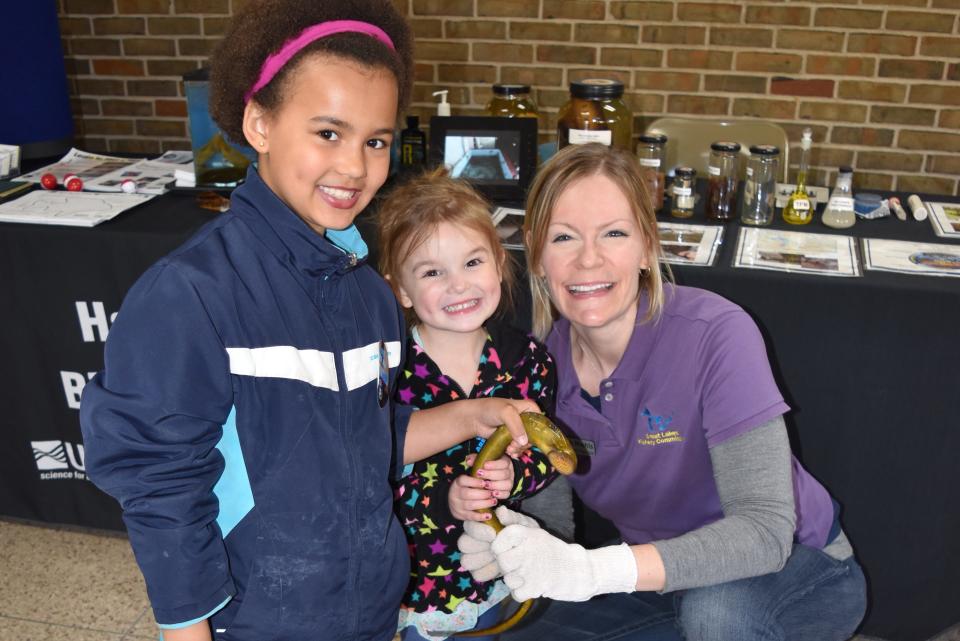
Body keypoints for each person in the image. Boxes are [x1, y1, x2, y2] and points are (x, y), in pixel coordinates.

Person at [78, 3, 536, 641]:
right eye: (328, 133)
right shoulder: (191, 293)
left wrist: (473, 415)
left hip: (370, 609)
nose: (354, 167)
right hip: (253, 619)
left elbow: (357, 439)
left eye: (374, 141)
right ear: (259, 123)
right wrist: (187, 632)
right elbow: (160, 487)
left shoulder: (371, 297)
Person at [457, 143, 867, 641]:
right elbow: (555, 527)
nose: (589, 260)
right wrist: (512, 537)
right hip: (664, 583)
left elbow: (764, 534)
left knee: (715, 618)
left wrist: (594, 572)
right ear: (538, 256)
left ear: (647, 247)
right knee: (508, 627)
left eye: (614, 233)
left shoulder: (716, 333)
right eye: (564, 237)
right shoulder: (538, 367)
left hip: (800, 569)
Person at [377, 170, 569, 640]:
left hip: (492, 572)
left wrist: (515, 475)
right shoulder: (386, 372)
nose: (458, 285)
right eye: (431, 272)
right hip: (413, 581)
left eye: (472, 263)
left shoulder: (526, 360)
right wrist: (447, 497)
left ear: (499, 263)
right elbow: (369, 467)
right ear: (400, 290)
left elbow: (544, 452)